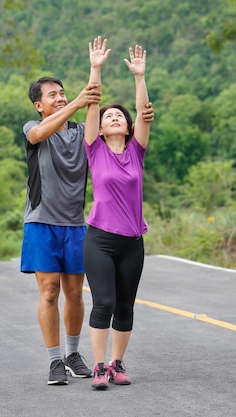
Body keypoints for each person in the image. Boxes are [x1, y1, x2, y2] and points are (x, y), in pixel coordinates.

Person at [21, 54, 154, 385]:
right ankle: (54, 360)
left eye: (62, 93)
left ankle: (73, 354)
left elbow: (104, 118)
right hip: (41, 221)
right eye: (52, 95)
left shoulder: (84, 134)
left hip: (77, 224)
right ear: (39, 105)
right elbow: (39, 135)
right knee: (49, 291)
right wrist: (79, 101)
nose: (60, 97)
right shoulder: (34, 127)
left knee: (76, 293)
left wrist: (106, 87)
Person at [83, 37, 151, 390]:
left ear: (126, 127)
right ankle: (98, 367)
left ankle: (117, 363)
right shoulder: (95, 150)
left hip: (132, 242)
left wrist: (140, 77)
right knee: (104, 302)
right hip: (100, 240)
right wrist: (96, 68)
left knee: (125, 305)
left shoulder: (137, 151)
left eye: (118, 116)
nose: (112, 117)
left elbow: (143, 113)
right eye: (108, 116)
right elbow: (92, 104)